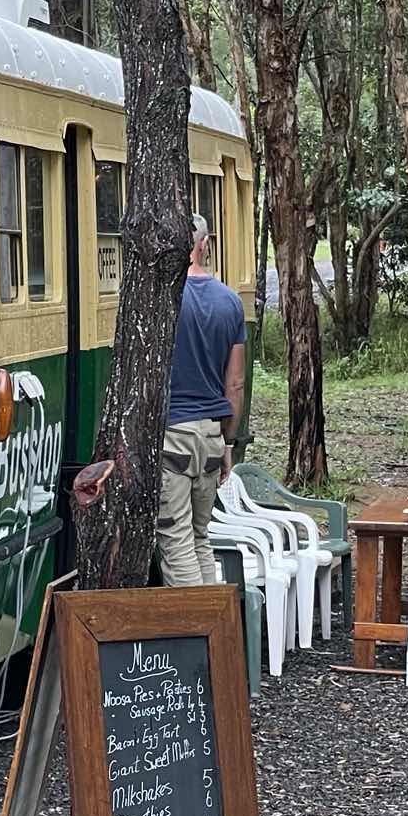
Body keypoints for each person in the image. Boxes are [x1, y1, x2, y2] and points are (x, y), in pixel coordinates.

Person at [156, 214, 245, 587]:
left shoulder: (162, 299)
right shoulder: (230, 302)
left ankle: (194, 636)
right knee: (200, 539)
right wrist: (226, 441)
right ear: (204, 244)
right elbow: (236, 383)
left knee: (176, 542)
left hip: (173, 433)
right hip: (210, 434)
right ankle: (217, 634)